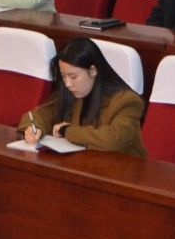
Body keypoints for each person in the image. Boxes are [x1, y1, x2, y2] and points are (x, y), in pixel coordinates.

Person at [17, 37, 146, 154]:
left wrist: (67, 131)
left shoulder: (127, 101)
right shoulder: (70, 91)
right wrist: (34, 129)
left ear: (93, 71)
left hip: (122, 169)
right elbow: (38, 115)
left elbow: (113, 140)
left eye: (73, 76)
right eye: (63, 76)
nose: (67, 83)